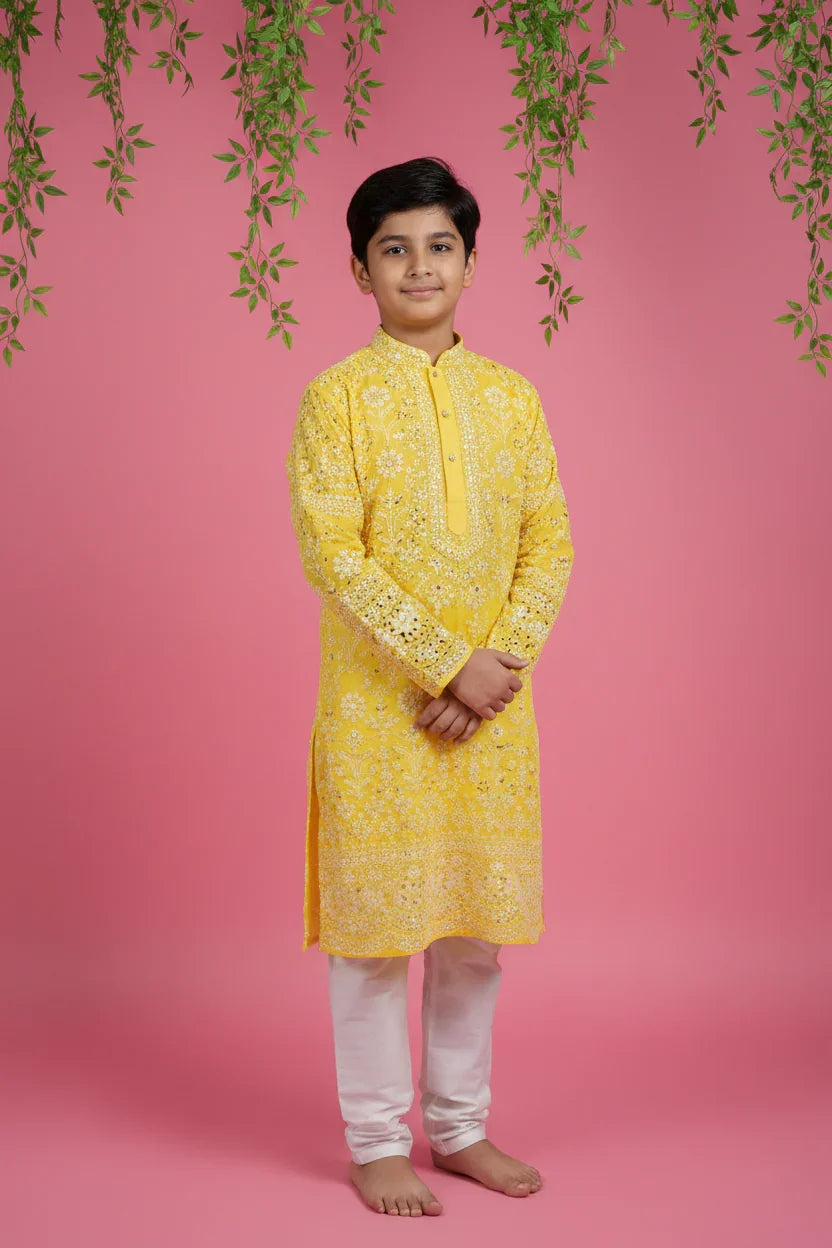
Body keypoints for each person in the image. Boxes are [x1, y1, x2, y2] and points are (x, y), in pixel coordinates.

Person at [285, 156, 575, 1217]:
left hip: (492, 713)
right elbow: (334, 554)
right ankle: (375, 1142)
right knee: (372, 940)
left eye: (438, 245)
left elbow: (549, 542)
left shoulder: (511, 397)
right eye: (393, 248)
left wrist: (496, 665)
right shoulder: (338, 399)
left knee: (471, 936)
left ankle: (458, 1129)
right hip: (378, 711)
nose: (418, 265)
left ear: (471, 260)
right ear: (359, 268)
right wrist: (445, 661)